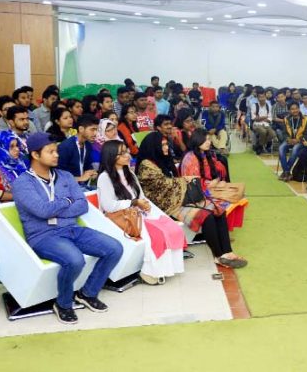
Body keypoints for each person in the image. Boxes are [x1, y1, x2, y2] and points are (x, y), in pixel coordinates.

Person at [12, 132, 123, 324]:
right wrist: (66, 200)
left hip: (71, 230)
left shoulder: (64, 176)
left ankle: (88, 293)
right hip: (43, 236)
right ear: (35, 155)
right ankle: (63, 304)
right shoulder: (22, 183)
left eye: (56, 151)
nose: (57, 155)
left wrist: (56, 209)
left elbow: (82, 205)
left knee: (115, 248)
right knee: (74, 260)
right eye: (51, 151)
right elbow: (41, 210)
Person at [135, 130, 246, 269]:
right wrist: (184, 180)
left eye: (166, 144)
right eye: (162, 145)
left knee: (219, 210)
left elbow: (173, 181)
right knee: (207, 216)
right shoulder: (147, 165)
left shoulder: (163, 159)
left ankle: (228, 251)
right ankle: (219, 255)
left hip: (179, 198)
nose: (166, 147)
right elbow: (163, 186)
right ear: (153, 146)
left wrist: (182, 181)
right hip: (167, 205)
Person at [97, 140, 185, 285]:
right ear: (112, 156)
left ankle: (167, 268)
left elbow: (141, 196)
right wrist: (134, 203)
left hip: (137, 212)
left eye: (126, 151)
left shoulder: (130, 173)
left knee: (172, 228)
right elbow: (109, 206)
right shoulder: (104, 178)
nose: (128, 155)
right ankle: (149, 271)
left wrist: (146, 206)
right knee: (157, 233)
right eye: (123, 153)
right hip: (121, 218)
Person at [57, 115, 99, 189]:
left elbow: (87, 166)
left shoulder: (88, 145)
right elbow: (58, 176)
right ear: (81, 129)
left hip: (83, 186)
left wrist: (92, 173)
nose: (95, 133)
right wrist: (80, 178)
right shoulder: (66, 147)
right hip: (67, 188)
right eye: (92, 129)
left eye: (97, 130)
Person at [278, 103, 307, 181]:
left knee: (295, 149)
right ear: (289, 110)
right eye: (292, 109)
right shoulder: (286, 119)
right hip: (289, 140)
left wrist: (298, 140)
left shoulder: (306, 119)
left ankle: (286, 172)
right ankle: (287, 172)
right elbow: (284, 132)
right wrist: (288, 139)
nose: (295, 110)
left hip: (300, 141)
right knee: (281, 148)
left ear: (299, 109)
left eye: (296, 108)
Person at [0, 131, 28, 201]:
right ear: (0, 148)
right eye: (11, 146)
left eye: (17, 145)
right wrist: (24, 198)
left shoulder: (22, 163)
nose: (17, 149)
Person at [251, 90, 276, 155]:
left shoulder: (268, 106)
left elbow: (270, 118)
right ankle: (261, 146)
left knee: (273, 134)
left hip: (266, 124)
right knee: (263, 132)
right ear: (258, 98)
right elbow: (254, 118)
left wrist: (260, 118)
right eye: (260, 97)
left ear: (265, 97)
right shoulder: (254, 106)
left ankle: (259, 145)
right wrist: (264, 117)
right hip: (256, 124)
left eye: (263, 97)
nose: (262, 99)